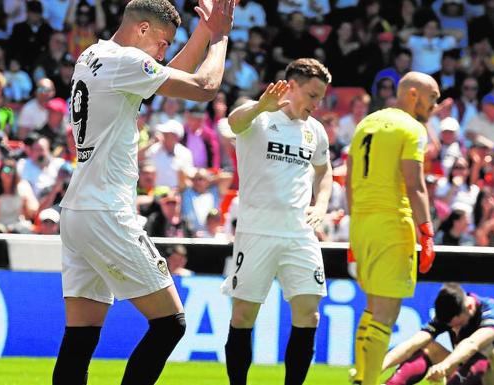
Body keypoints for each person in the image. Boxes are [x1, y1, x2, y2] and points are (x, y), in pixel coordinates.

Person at [52, 1, 234, 385]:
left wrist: (203, 29)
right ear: (143, 30)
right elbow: (204, 88)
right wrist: (218, 39)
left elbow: (168, 74)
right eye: (164, 42)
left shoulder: (94, 55)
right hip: (106, 212)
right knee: (170, 324)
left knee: (80, 338)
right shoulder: (124, 62)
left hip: (77, 212)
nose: (164, 52)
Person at [220, 58, 333, 385]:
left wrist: (322, 204)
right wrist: (258, 107)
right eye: (313, 95)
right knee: (243, 317)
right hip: (256, 233)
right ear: (291, 86)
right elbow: (234, 122)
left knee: (309, 315)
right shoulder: (260, 116)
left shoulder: (316, 131)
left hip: (300, 235)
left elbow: (325, 172)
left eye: (321, 98)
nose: (317, 104)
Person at [346, 72, 439, 385]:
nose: (435, 105)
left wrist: (352, 234)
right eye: (433, 97)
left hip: (361, 223)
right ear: (413, 94)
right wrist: (426, 232)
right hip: (391, 224)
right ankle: (368, 382)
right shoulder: (412, 128)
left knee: (372, 310)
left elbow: (349, 181)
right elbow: (415, 185)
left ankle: (361, 376)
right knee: (386, 314)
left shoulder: (366, 124)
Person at [381, 283, 494, 385]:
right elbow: (412, 344)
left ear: (469, 306)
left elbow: (472, 344)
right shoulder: (450, 314)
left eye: (457, 324)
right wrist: (379, 366)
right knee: (429, 346)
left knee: (485, 347)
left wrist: (445, 366)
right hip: (473, 376)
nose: (454, 329)